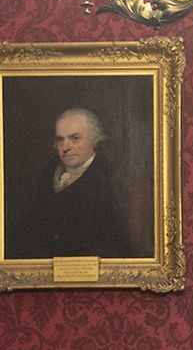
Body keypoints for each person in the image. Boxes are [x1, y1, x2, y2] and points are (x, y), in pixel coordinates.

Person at [7, 107, 132, 260]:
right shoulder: (47, 172)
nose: (66, 147)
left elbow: (110, 243)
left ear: (94, 140)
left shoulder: (106, 180)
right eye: (60, 139)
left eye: (75, 138)